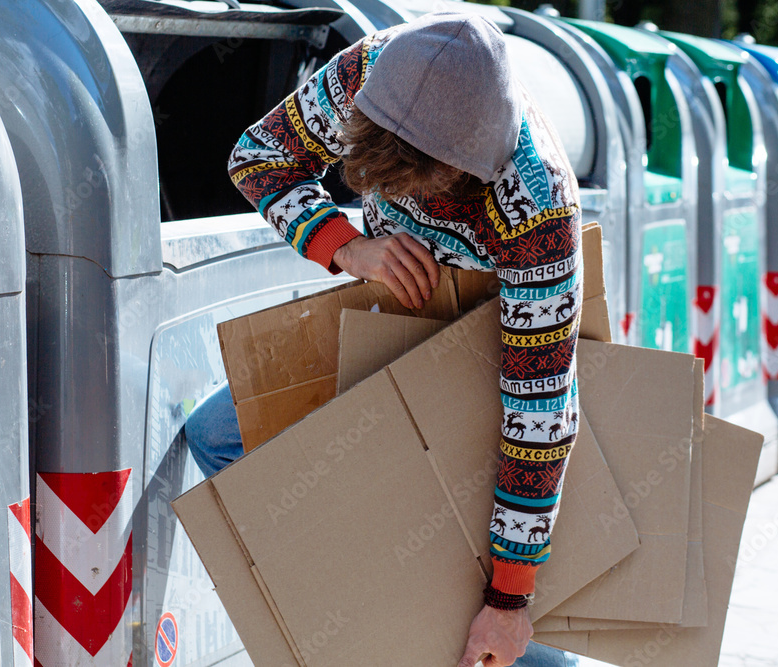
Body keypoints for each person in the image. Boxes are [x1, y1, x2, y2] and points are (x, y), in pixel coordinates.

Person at [189, 11, 582, 667]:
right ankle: (376, 607)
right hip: (387, 313)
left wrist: (509, 601)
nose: (405, 200)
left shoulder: (535, 207)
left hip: (485, 348)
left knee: (494, 626)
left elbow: (539, 415)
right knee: (218, 436)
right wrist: (350, 249)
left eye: (419, 189)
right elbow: (257, 157)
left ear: (464, 170)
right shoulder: (368, 71)